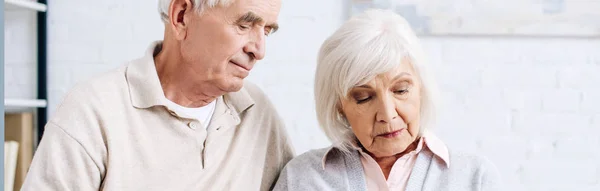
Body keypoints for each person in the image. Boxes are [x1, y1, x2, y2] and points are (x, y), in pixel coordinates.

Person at [22, 0, 294, 190]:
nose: (259, 50)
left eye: (267, 30)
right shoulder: (92, 112)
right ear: (182, 16)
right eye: (245, 25)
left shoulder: (258, 114)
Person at [273, 9, 501, 191]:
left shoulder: (475, 177)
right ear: (339, 107)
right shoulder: (301, 177)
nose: (387, 114)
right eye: (363, 97)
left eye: (401, 90)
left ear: (421, 89)